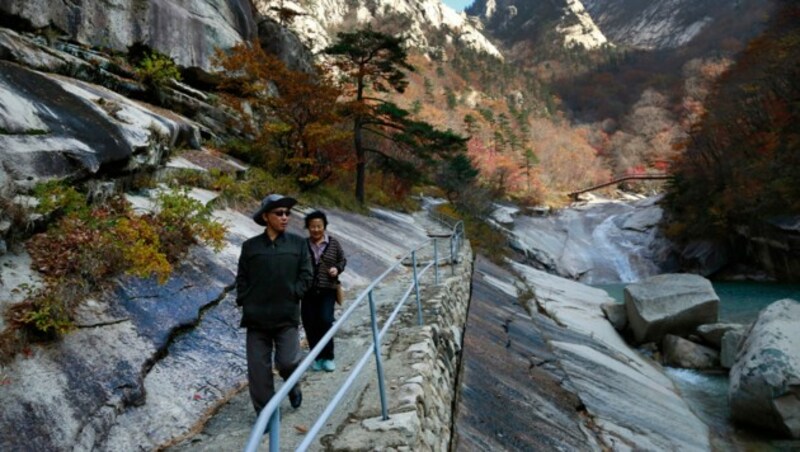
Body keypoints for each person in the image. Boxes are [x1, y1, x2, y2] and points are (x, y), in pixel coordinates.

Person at [236, 194, 313, 416]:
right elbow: (242, 277)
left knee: (288, 362)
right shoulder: (250, 247)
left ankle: (292, 385)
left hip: (286, 316)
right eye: (279, 213)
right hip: (256, 318)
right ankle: (266, 415)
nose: (285, 217)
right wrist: (245, 299)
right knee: (259, 371)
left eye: (287, 213)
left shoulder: (298, 244)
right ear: (265, 217)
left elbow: (306, 275)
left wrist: (294, 294)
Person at [302, 210, 347, 372]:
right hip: (307, 291)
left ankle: (328, 357)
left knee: (326, 321)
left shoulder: (333, 243)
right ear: (308, 227)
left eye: (319, 226)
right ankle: (317, 357)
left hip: (327, 289)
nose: (316, 229)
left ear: (324, 227)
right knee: (309, 323)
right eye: (312, 226)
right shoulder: (303, 244)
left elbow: (342, 260)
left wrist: (337, 268)